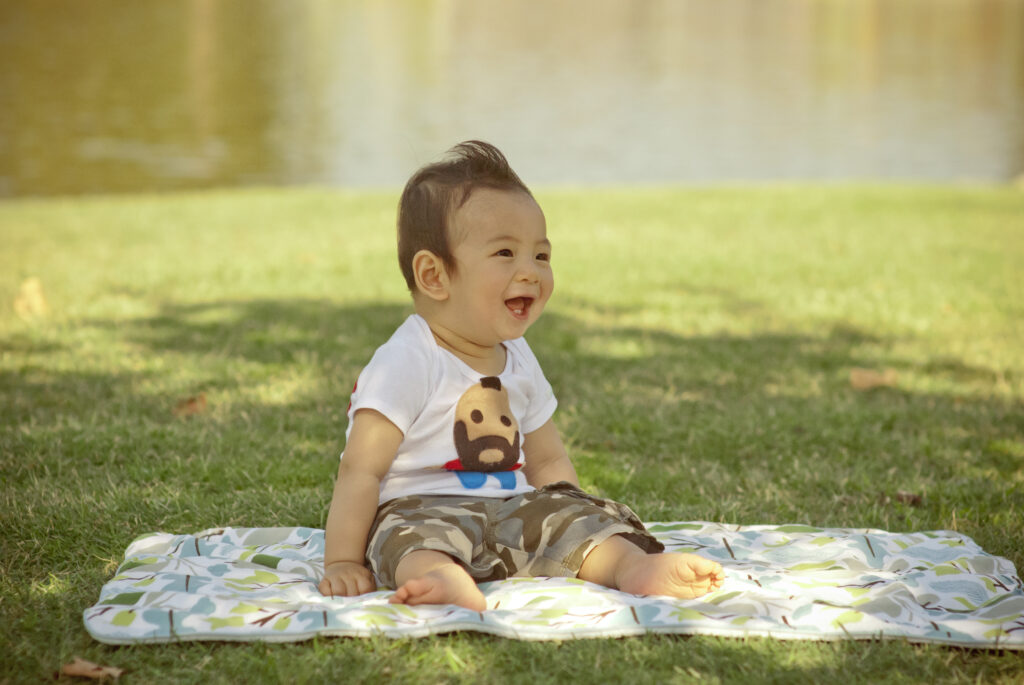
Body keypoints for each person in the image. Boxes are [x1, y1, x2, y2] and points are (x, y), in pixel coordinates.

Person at [318, 141, 725, 610]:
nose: (530, 272)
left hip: (514, 510)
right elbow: (361, 468)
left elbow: (548, 462)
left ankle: (630, 567)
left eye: (541, 256)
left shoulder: (518, 355)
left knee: (574, 519)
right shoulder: (407, 360)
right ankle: (441, 579)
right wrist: (341, 561)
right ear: (434, 276)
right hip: (421, 509)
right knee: (407, 540)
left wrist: (575, 519)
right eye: (506, 253)